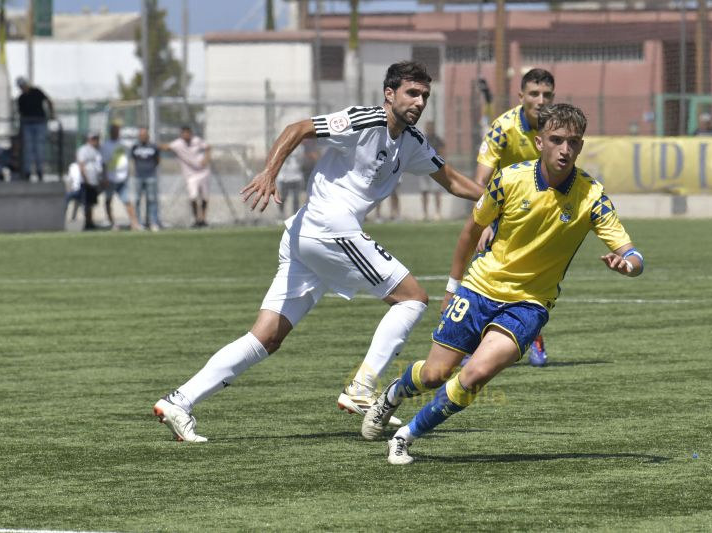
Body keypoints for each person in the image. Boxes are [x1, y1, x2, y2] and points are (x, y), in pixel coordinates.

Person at [152, 61, 484, 443]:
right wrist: (269, 173)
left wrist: (498, 194)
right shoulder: (364, 120)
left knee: (266, 337)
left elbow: (454, 181)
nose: (420, 101)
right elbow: (298, 129)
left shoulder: (412, 143)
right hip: (328, 227)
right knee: (412, 298)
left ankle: (180, 400)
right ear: (389, 94)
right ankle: (362, 388)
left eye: (425, 95)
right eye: (412, 92)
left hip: (308, 237)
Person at [361, 103, 645, 465]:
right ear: (540, 142)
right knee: (434, 374)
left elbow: (634, 254)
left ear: (581, 146)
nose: (565, 149)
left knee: (476, 373)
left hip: (530, 304)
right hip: (479, 289)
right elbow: (471, 230)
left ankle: (406, 436)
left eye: (573, 142)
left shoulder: (591, 195)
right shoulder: (510, 178)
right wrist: (452, 286)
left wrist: (628, 266)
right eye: (556, 140)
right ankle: (393, 394)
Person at [450, 68, 555, 367]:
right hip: (502, 209)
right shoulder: (503, 127)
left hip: (542, 212)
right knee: (483, 271)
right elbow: (481, 179)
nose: (541, 100)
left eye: (547, 94)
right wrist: (485, 222)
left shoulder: (556, 130)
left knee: (531, 276)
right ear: (521, 97)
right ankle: (470, 342)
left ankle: (532, 335)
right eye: (534, 94)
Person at [160, 126, 211, 228]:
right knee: (193, 196)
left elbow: (207, 147)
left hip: (203, 172)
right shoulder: (178, 144)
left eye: (188, 133)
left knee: (204, 196)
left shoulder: (196, 140)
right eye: (184, 133)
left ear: (191, 134)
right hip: (191, 175)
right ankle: (197, 219)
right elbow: (166, 147)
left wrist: (206, 159)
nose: (186, 136)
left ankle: (203, 219)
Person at [101, 123, 141, 231]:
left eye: (117, 131)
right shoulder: (106, 145)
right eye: (114, 131)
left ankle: (134, 223)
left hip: (122, 178)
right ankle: (112, 223)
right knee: (108, 201)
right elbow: (104, 163)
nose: (116, 133)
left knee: (127, 201)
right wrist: (105, 177)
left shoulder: (123, 145)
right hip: (110, 178)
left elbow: (129, 158)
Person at [16, 77, 54, 181]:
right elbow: (21, 114)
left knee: (39, 148)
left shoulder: (36, 92)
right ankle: (27, 172)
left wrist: (52, 114)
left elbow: (49, 101)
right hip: (28, 124)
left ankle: (39, 171)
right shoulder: (21, 98)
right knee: (28, 149)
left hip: (40, 123)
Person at [131, 127, 162, 231]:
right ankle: (138, 223)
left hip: (151, 176)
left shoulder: (153, 146)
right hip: (139, 176)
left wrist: (150, 168)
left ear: (147, 135)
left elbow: (157, 160)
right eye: (141, 135)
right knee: (137, 199)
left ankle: (153, 222)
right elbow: (134, 160)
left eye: (144, 135)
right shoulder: (135, 147)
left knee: (152, 199)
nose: (142, 137)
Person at [418, 121, 445, 220]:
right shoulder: (422, 139)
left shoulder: (437, 140)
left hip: (434, 169)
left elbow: (442, 152)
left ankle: (437, 213)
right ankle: (425, 214)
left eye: (431, 127)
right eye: (428, 127)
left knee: (436, 191)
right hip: (423, 169)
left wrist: (441, 165)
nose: (429, 129)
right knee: (424, 191)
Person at [76, 131, 103, 231]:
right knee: (87, 203)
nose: (96, 141)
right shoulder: (84, 150)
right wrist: (86, 179)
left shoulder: (97, 150)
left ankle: (90, 222)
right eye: (94, 139)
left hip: (95, 181)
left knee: (91, 203)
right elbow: (81, 165)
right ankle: (87, 223)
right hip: (87, 181)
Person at [275, 143, 305, 220]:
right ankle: (281, 215)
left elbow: (301, 159)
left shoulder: (299, 147)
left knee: (296, 199)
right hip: (284, 177)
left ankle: (296, 217)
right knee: (283, 198)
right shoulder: (281, 146)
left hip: (296, 177)